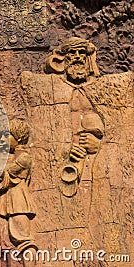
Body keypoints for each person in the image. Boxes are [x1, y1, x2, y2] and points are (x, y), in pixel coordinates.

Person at [22, 37, 134, 256]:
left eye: (82, 54)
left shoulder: (109, 89)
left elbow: (124, 136)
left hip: (100, 173)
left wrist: (100, 145)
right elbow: (42, 139)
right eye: (71, 54)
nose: (77, 59)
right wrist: (63, 149)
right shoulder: (48, 89)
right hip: (66, 174)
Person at [0, 119, 37, 267]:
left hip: (19, 203)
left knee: (24, 240)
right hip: (10, 202)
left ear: (18, 138)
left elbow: (2, 173)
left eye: (7, 136)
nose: (4, 140)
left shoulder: (24, 157)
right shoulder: (14, 156)